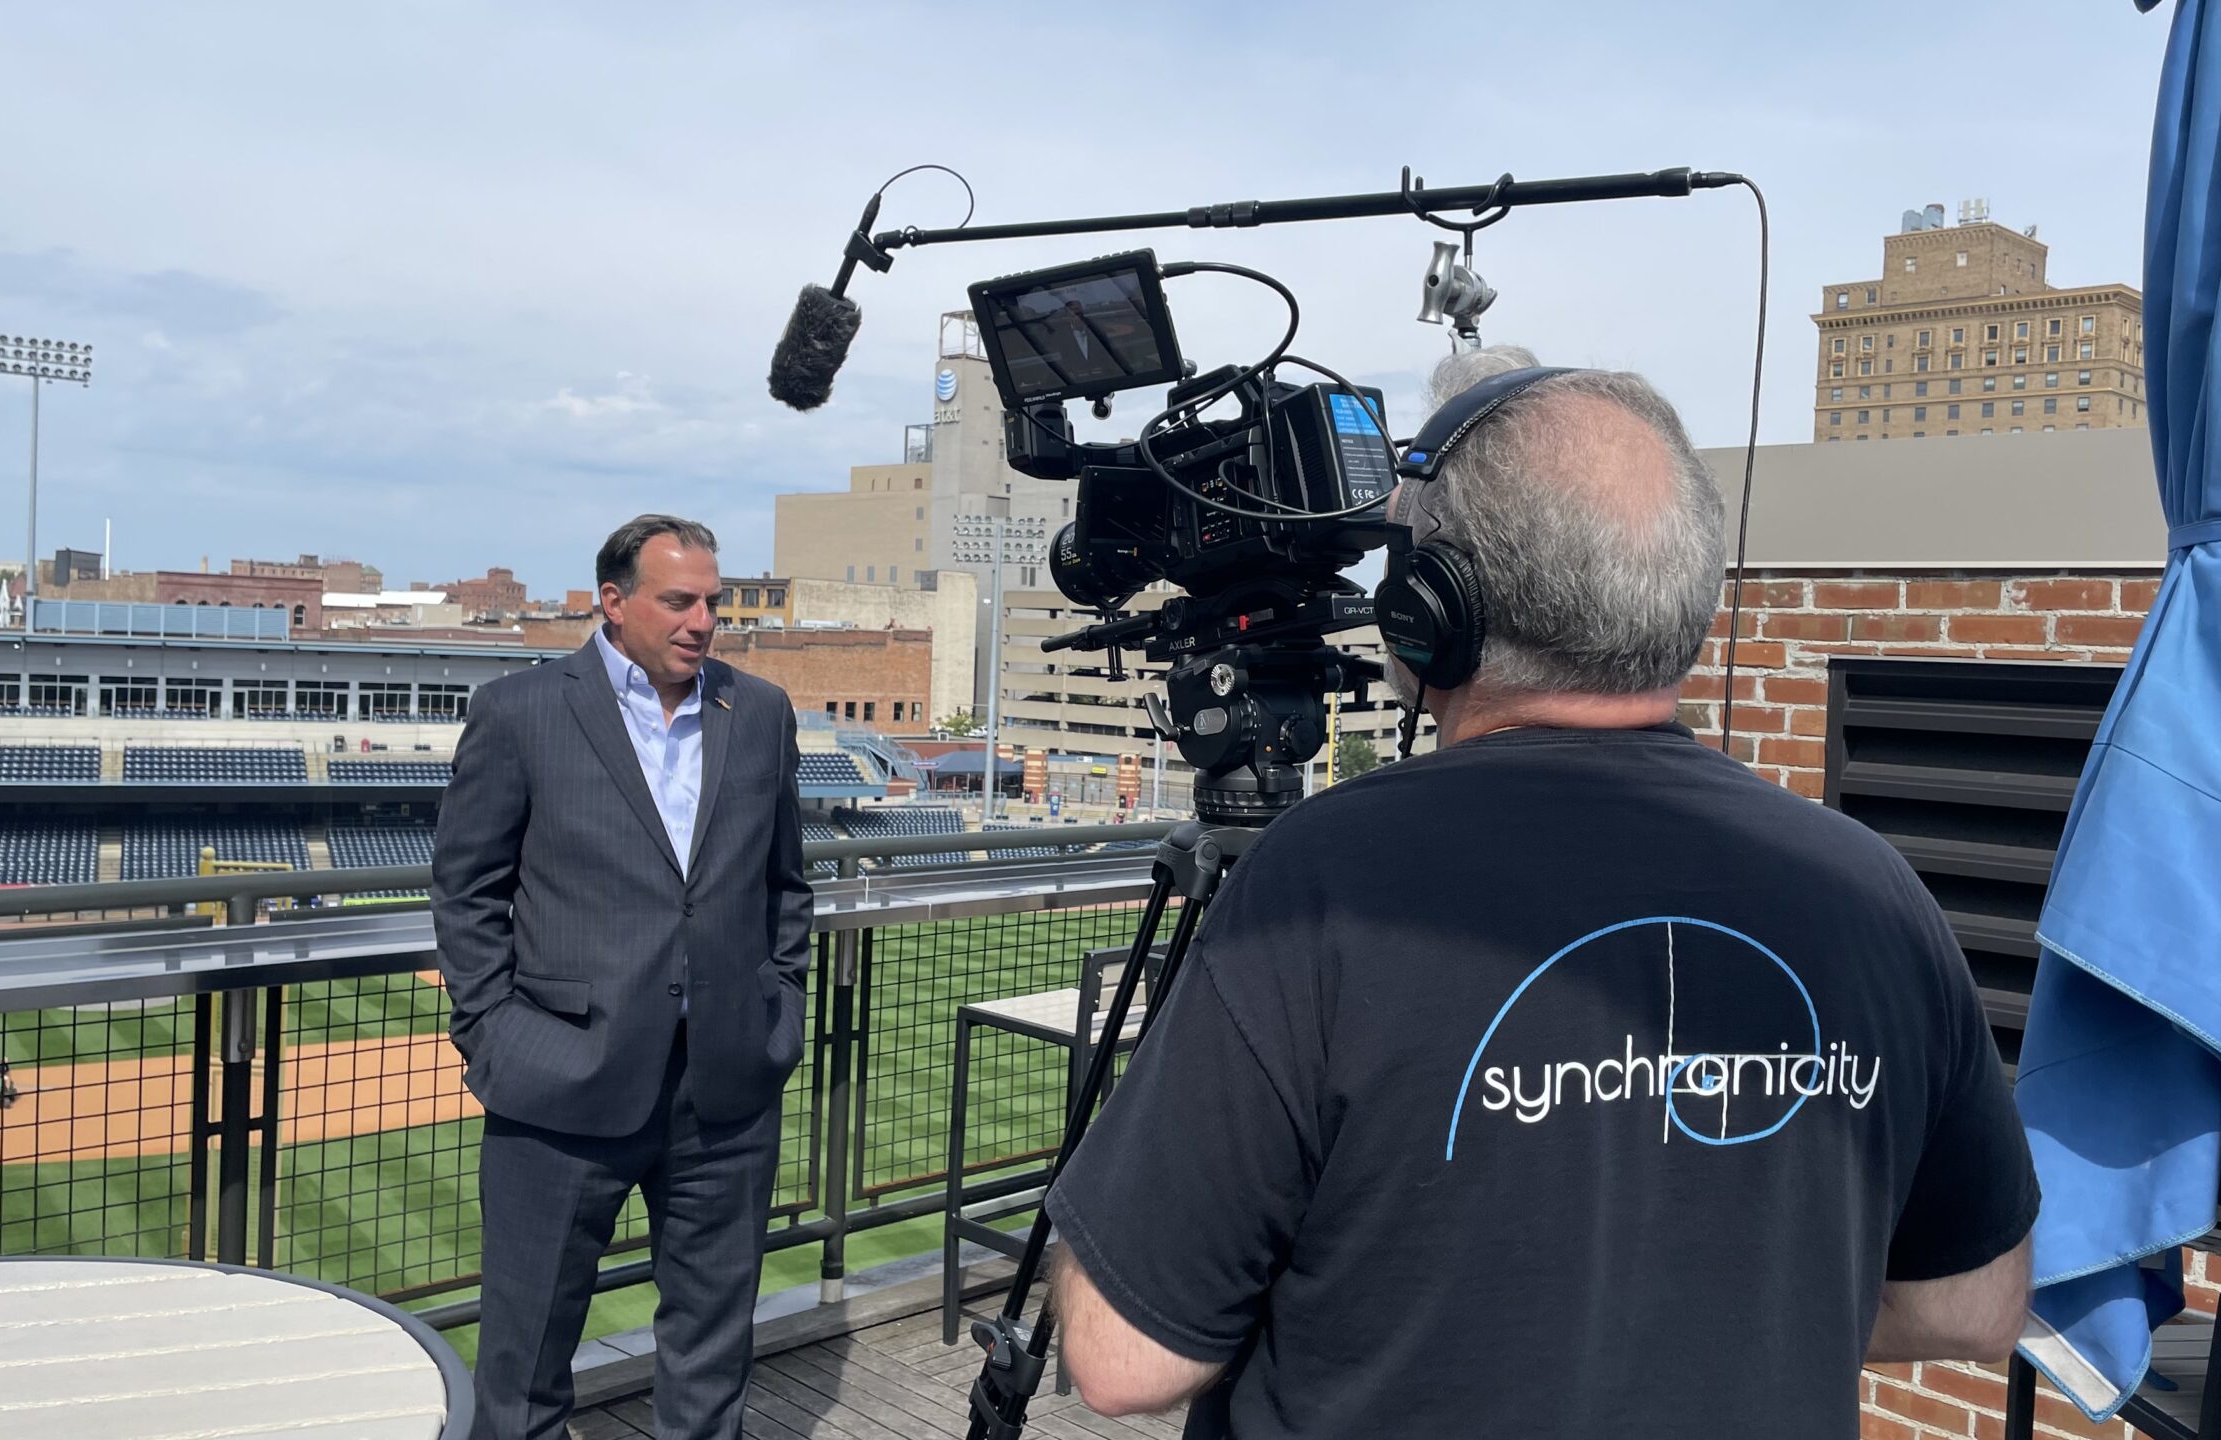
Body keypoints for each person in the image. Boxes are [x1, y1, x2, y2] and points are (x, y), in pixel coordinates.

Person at [1040, 352, 2039, 1438]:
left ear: (1433, 612)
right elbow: (1974, 1303)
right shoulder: (1873, 888)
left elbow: (1120, 1358)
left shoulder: (1325, 884)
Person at [433, 514, 812, 1439]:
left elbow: (785, 886)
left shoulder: (757, 710)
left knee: (712, 1355)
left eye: (712, 603)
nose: (701, 622)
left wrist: (781, 1010)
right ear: (613, 600)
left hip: (725, 1087)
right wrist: (495, 1030)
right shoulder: (522, 711)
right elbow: (466, 888)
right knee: (523, 1365)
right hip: (560, 1084)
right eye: (678, 600)